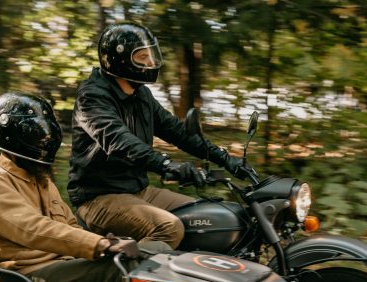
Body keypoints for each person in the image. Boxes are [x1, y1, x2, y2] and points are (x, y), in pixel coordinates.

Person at [68, 22, 246, 249]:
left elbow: (178, 132)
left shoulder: (142, 95)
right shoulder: (92, 97)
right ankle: (120, 276)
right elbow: (118, 140)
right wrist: (166, 164)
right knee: (169, 227)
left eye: (152, 55)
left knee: (209, 217)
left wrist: (225, 159)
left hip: (138, 191)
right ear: (119, 60)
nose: (151, 63)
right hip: (98, 199)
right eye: (142, 57)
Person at [0, 91, 142, 282]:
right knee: (120, 269)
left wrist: (106, 243)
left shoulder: (39, 179)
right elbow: (33, 229)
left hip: (62, 265)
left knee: (148, 255)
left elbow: (70, 226)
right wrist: (100, 245)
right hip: (27, 277)